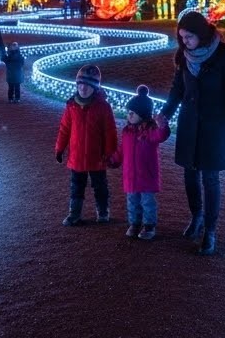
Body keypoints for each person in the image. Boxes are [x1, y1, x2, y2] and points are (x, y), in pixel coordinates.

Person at [158, 10, 225, 255]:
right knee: (189, 174)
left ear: (202, 34)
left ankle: (210, 229)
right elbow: (177, 90)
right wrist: (165, 114)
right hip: (189, 123)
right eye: (182, 37)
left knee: (210, 178)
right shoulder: (183, 56)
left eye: (189, 37)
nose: (185, 42)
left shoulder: (224, 54)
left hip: (215, 124)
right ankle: (195, 216)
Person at [54, 64, 118, 226]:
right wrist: (60, 148)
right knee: (76, 187)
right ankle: (74, 213)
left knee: (100, 186)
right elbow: (65, 128)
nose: (83, 88)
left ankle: (103, 212)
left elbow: (110, 131)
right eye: (80, 84)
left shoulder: (103, 107)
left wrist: (109, 152)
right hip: (76, 156)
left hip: (97, 157)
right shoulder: (71, 106)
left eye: (87, 85)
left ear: (95, 87)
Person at [110, 85, 170, 240]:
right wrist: (113, 159)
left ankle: (149, 226)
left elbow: (160, 136)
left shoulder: (149, 131)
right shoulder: (127, 131)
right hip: (130, 176)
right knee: (132, 201)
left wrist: (163, 126)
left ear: (142, 114)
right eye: (128, 112)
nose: (128, 115)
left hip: (146, 176)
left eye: (132, 113)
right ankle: (135, 223)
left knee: (147, 202)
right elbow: (122, 149)